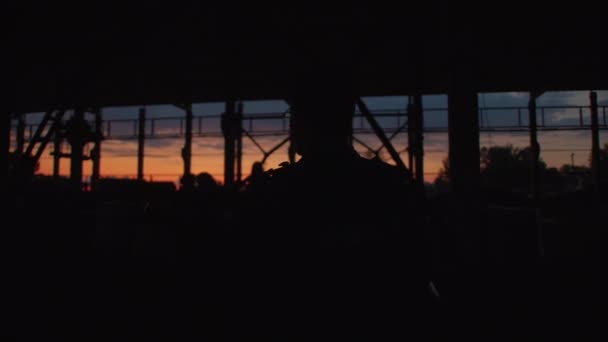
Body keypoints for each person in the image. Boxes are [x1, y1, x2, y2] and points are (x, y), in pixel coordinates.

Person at [222, 66, 436, 341]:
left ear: (303, 121)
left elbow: (245, 282)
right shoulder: (390, 187)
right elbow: (415, 274)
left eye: (293, 115)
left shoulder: (272, 192)